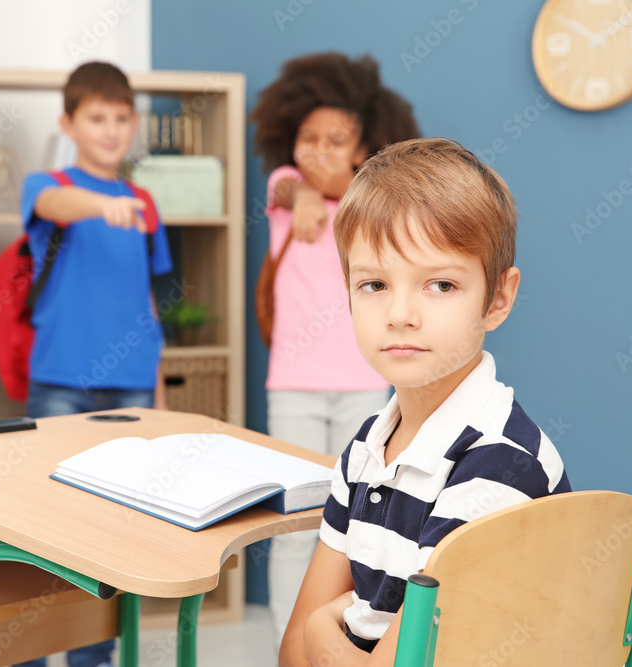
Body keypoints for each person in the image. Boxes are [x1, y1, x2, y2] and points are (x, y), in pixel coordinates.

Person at [278, 138, 572, 666]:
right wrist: (313, 640)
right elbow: (289, 654)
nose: (401, 314)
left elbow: (313, 641)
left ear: (497, 299)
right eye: (374, 284)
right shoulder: (367, 449)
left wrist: (324, 632)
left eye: (439, 284)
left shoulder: (497, 467)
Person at [249, 52, 422, 645]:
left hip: (362, 385)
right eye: (308, 137)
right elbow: (288, 181)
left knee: (357, 525)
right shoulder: (282, 190)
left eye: (336, 139)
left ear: (363, 148)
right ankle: (287, 642)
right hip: (293, 385)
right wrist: (301, 193)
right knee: (295, 525)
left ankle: (347, 637)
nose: (318, 148)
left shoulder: (370, 211)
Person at [16, 61, 172, 667]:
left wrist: (157, 394)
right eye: (95, 118)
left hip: (130, 386)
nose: (109, 130)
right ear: (69, 122)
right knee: (42, 522)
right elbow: (55, 203)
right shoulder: (46, 184)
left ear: (133, 124)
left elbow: (148, 302)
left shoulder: (145, 202)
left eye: (119, 119)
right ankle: (27, 648)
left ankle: (93, 655)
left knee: (109, 532)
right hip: (60, 377)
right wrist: (96, 204)